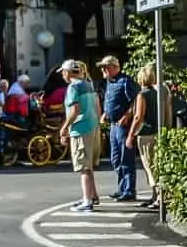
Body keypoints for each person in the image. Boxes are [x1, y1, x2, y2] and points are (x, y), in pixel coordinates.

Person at [59, 59, 103, 212]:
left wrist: (64, 128)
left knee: (83, 167)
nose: (63, 75)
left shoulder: (73, 87)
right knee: (89, 165)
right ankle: (93, 195)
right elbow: (98, 107)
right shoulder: (88, 85)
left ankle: (87, 201)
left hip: (81, 129)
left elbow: (74, 110)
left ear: (67, 72)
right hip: (93, 127)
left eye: (63, 72)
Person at [98, 55, 139, 203]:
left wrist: (127, 116)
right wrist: (105, 114)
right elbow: (110, 101)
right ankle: (122, 188)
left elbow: (136, 101)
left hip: (123, 126)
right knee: (116, 159)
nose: (103, 70)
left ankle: (129, 191)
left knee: (125, 158)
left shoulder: (125, 81)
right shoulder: (109, 82)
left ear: (115, 67)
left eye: (106, 67)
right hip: (113, 125)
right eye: (103, 68)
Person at [126, 65, 160, 208]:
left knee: (149, 165)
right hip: (157, 131)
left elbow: (138, 116)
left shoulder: (142, 95)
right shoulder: (157, 93)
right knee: (155, 164)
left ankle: (158, 197)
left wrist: (131, 135)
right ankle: (155, 196)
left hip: (145, 133)